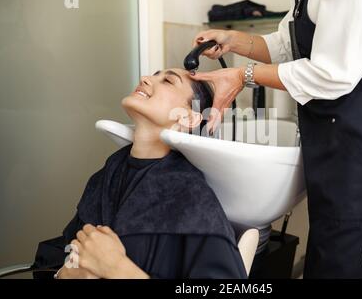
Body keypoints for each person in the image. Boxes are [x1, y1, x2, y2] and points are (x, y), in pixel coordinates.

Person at [191, 0, 362, 278]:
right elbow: (286, 46)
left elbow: (333, 72)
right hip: (342, 157)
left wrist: (244, 76)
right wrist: (233, 40)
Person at [32, 69, 247, 279]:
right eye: (153, 75)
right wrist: (63, 273)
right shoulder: (110, 172)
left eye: (167, 81)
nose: (145, 79)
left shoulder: (190, 195)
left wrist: (117, 269)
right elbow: (61, 250)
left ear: (188, 118)